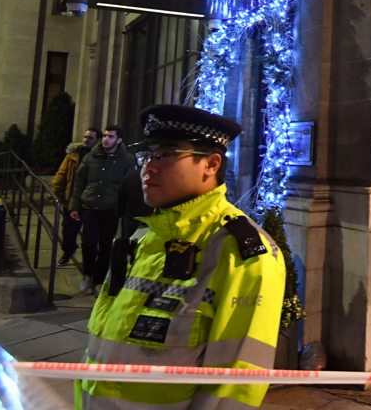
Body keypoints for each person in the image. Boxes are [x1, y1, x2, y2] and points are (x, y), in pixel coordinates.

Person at [75, 104, 285, 410]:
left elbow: (232, 389)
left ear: (211, 164)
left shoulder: (240, 254)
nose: (148, 167)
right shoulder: (142, 239)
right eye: (147, 156)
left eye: (167, 154)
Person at [70, 125, 137, 295]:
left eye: (111, 136)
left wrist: (124, 208)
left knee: (106, 246)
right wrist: (74, 204)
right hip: (90, 206)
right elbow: (80, 181)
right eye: (105, 136)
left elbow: (129, 185)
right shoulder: (92, 156)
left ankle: (99, 280)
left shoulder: (126, 159)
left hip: (111, 208)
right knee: (88, 243)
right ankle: (88, 274)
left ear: (119, 140)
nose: (106, 139)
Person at [50, 128, 102, 266]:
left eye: (90, 138)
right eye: (85, 137)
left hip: (90, 200)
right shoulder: (73, 155)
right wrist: (54, 192)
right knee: (68, 230)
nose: (86, 140)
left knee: (90, 234)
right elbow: (62, 174)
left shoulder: (101, 156)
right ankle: (68, 251)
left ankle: (90, 262)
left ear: (98, 140)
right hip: (73, 199)